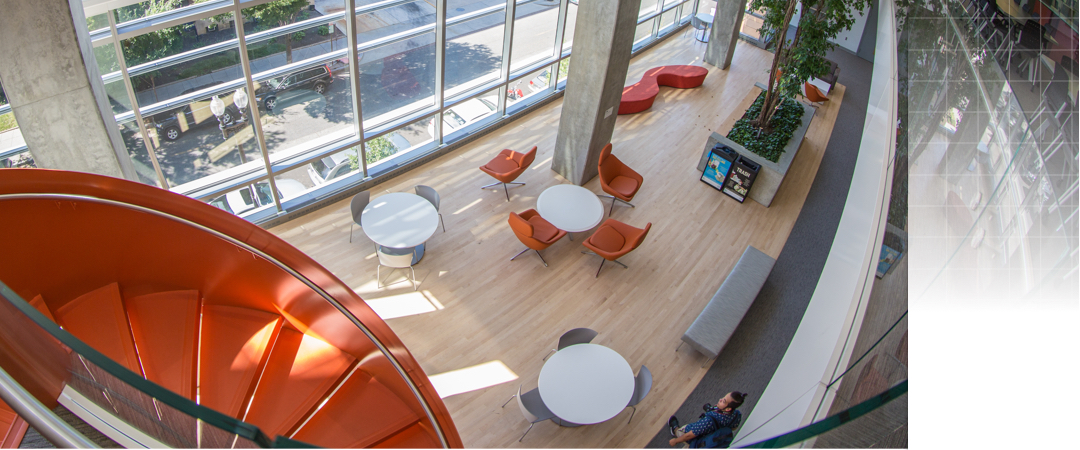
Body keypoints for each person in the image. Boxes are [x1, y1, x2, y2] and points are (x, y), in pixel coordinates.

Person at [668, 391, 747, 448]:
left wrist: (676, 441)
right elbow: (733, 428)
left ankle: (675, 430)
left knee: (683, 433)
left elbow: (690, 435)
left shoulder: (708, 421)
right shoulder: (737, 415)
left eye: (723, 401)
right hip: (708, 440)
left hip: (695, 437)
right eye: (723, 397)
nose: (720, 399)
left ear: (728, 409)